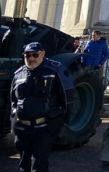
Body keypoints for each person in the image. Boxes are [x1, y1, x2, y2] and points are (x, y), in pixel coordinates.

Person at [11, 42, 67, 172]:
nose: (31, 58)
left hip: (43, 128)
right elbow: (13, 100)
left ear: (43, 54)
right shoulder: (18, 74)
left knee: (39, 165)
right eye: (27, 56)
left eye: (35, 55)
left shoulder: (53, 71)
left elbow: (65, 97)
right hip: (22, 128)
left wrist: (59, 121)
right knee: (23, 165)